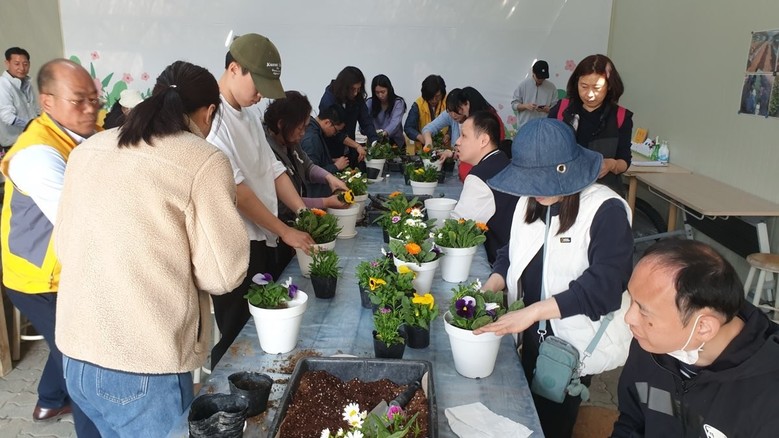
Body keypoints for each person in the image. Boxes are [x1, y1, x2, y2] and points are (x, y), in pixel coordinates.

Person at [54, 60, 249, 437]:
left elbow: (64, 247)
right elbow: (223, 275)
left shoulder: (89, 149)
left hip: (76, 357)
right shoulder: (203, 160)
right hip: (142, 365)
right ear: (209, 112)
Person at [473, 118, 634, 438]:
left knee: (550, 424)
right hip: (528, 336)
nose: (537, 190)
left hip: (570, 348)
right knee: (520, 415)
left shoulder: (605, 210)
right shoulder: (530, 201)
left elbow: (605, 288)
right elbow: (512, 250)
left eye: (544, 181)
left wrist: (534, 312)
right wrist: (493, 284)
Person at [0, 58, 100, 435]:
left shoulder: (83, 132)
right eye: (79, 100)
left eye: (94, 99)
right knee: (84, 362)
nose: (90, 109)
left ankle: (49, 400)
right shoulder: (37, 155)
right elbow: (83, 226)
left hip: (63, 270)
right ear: (47, 102)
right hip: (39, 280)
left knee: (65, 344)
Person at [206, 33, 314, 369]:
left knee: (263, 326)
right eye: (258, 86)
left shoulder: (248, 115)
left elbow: (273, 169)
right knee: (237, 334)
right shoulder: (214, 119)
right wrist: (285, 230)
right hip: (236, 246)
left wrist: (303, 212)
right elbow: (237, 191)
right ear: (234, 69)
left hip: (263, 237)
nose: (260, 96)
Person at [612, 239, 779, 437]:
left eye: (644, 311)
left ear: (703, 327)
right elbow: (632, 421)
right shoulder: (650, 346)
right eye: (631, 299)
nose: (629, 318)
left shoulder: (769, 398)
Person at [264, 91, 349, 271]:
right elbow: (284, 202)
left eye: (305, 127)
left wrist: (329, 178)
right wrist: (326, 202)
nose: (303, 133)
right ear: (281, 124)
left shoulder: (290, 141)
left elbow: (307, 165)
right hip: (276, 230)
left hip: (294, 221)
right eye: (300, 128)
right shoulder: (266, 148)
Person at [549, 54, 633, 196]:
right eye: (584, 86)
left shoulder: (621, 117)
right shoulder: (561, 110)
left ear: (609, 86)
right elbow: (545, 148)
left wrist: (611, 164)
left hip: (602, 193)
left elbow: (624, 161)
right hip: (562, 191)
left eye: (597, 88)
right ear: (576, 83)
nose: (589, 94)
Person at [451, 110, 518, 265]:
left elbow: (457, 228)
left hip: (499, 263)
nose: (457, 142)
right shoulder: (503, 160)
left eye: (464, 136)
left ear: (483, 140)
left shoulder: (479, 177)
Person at [423, 86, 505, 181]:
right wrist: (451, 153)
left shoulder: (485, 121)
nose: (453, 115)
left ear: (468, 104)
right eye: (449, 111)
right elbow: (428, 128)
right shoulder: (471, 118)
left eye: (459, 109)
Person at [318, 66, 378, 168]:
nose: (355, 93)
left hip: (350, 150)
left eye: (358, 89)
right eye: (353, 89)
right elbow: (335, 133)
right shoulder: (328, 100)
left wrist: (374, 140)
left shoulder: (357, 96)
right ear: (344, 87)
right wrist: (356, 145)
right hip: (332, 151)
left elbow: (365, 120)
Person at [300, 104, 348, 198]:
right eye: (336, 131)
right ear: (328, 122)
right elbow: (309, 173)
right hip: (314, 196)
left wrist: (329, 160)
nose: (335, 134)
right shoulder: (312, 139)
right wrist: (335, 166)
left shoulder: (315, 132)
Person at [0, 47, 40, 150]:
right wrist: (30, 124)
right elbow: (7, 117)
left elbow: (35, 110)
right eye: (17, 64)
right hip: (13, 145)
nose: (22, 68)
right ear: (7, 63)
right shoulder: (3, 84)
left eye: (25, 64)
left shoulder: (27, 83)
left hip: (30, 140)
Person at [404, 74, 447, 151]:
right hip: (423, 149)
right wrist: (422, 138)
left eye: (437, 96)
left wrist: (448, 135)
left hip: (445, 149)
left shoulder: (448, 102)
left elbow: (455, 121)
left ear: (442, 94)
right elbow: (408, 128)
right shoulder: (418, 104)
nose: (434, 100)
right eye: (431, 97)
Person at [511, 60, 558, 130]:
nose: (541, 80)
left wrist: (548, 109)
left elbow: (556, 108)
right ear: (533, 72)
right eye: (539, 77)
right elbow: (514, 105)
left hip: (544, 127)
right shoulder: (523, 85)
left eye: (543, 78)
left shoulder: (551, 87)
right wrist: (525, 106)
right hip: (525, 126)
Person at [366, 74, 406, 148]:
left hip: (395, 142)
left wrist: (383, 134)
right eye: (377, 92)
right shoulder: (369, 102)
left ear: (389, 89)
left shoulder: (398, 103)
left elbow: (395, 123)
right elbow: (364, 120)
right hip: (374, 141)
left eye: (383, 92)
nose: (380, 95)